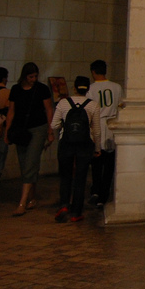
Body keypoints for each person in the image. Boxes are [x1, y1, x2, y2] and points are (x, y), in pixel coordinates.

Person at [3, 62, 54, 216]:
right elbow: (11, 111)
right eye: (31, 76)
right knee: (25, 163)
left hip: (38, 128)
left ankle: (22, 202)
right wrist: (7, 131)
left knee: (30, 162)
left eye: (35, 76)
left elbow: (49, 109)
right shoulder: (16, 89)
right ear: (25, 76)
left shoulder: (42, 89)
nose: (33, 79)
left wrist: (50, 131)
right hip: (21, 130)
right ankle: (32, 197)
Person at [51, 76, 100, 223]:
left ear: (74, 88)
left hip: (66, 143)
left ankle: (64, 205)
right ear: (88, 89)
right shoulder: (93, 105)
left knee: (65, 175)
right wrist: (97, 148)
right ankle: (77, 211)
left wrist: (67, 127)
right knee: (81, 177)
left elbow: (54, 125)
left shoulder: (63, 103)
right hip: (85, 144)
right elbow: (96, 130)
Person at [87, 59, 123, 207]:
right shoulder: (116, 87)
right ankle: (104, 194)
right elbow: (121, 106)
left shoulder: (91, 88)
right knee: (109, 163)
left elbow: (89, 110)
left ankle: (96, 190)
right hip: (112, 124)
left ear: (93, 72)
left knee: (96, 161)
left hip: (97, 124)